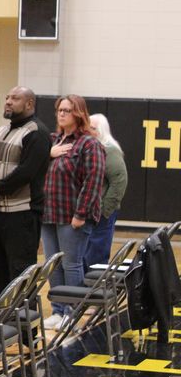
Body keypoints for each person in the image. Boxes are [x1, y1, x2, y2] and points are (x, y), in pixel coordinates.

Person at [42, 94, 105, 330]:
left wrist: (81, 214)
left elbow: (93, 181)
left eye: (67, 110)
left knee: (71, 263)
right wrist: (48, 154)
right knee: (52, 264)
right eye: (59, 109)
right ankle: (58, 310)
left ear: (78, 114)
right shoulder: (52, 140)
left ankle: (73, 312)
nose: (61, 113)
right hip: (49, 212)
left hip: (73, 215)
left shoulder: (89, 143)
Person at [0, 86, 51, 293]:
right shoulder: (1, 131)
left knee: (20, 275)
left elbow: (26, 173)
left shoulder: (37, 132)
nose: (8, 101)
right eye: (7, 97)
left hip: (22, 216)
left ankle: (25, 325)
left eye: (15, 98)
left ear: (29, 104)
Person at [82, 114, 128, 272]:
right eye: (87, 127)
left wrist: (105, 210)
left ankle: (96, 293)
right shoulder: (88, 147)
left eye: (92, 128)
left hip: (102, 213)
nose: (88, 131)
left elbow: (119, 182)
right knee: (85, 255)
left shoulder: (110, 150)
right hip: (88, 211)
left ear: (101, 130)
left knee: (97, 255)